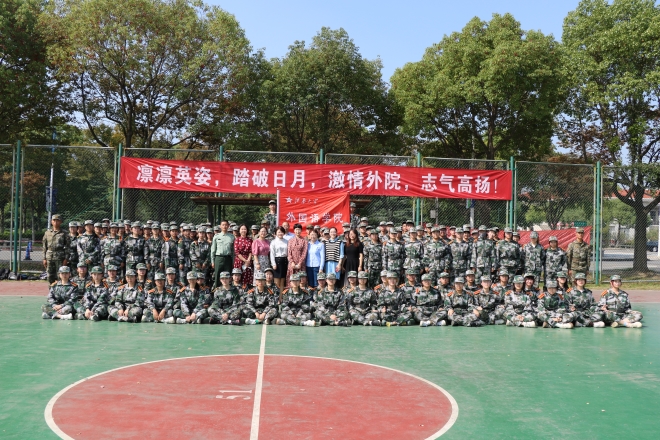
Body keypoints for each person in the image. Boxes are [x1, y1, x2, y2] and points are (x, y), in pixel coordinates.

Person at [42, 214, 70, 284]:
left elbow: (68, 247)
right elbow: (44, 246)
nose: (56, 222)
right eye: (54, 220)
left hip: (60, 257)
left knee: (60, 275)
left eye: (58, 220)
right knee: (49, 276)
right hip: (49, 256)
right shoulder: (47, 233)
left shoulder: (64, 233)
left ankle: (59, 289)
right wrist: (44, 258)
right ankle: (51, 289)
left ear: (61, 222)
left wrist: (66, 259)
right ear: (51, 222)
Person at [211, 220, 235, 289]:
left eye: (226, 225)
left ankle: (228, 292)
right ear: (220, 226)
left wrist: (233, 261)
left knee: (228, 276)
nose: (224, 226)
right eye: (223, 225)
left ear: (228, 226)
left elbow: (233, 251)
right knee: (217, 275)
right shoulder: (216, 236)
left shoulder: (231, 237)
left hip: (228, 258)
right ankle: (217, 291)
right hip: (219, 258)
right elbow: (213, 250)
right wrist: (212, 261)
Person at [269, 226, 288, 292]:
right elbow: (272, 254)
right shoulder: (273, 242)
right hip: (277, 261)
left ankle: (281, 296)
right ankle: (276, 295)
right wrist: (273, 264)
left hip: (285, 261)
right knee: (276, 281)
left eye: (282, 232)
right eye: (279, 232)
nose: (280, 233)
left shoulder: (286, 241)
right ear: (276, 233)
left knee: (283, 280)